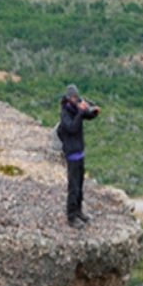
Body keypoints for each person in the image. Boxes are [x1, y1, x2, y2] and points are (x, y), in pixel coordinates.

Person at [57, 84, 100, 228]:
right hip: (71, 155)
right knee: (73, 187)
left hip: (80, 153)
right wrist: (81, 113)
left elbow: (87, 115)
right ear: (69, 98)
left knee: (80, 185)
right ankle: (71, 216)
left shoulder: (76, 109)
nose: (76, 99)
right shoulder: (65, 113)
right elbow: (72, 128)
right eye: (74, 97)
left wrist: (93, 111)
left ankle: (79, 211)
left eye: (77, 96)